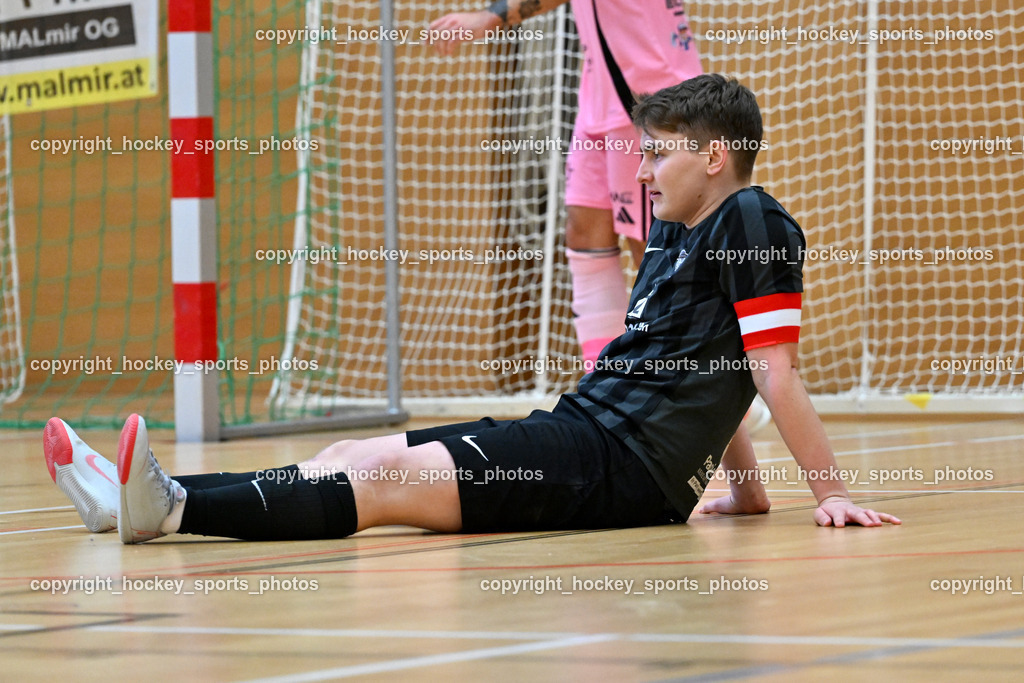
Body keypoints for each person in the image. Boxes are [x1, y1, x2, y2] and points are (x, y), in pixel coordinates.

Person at [43, 75, 900, 545]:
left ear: (715, 157)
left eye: (658, 154)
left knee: (380, 481)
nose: (641, 171)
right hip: (585, 433)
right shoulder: (679, 232)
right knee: (351, 451)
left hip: (614, 465)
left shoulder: (754, 220)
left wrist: (829, 493)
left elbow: (769, 368)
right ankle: (134, 500)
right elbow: (713, 370)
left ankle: (173, 510)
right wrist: (745, 491)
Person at [430, 0, 703, 366]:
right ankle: (603, 379)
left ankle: (685, 378)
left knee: (652, 250)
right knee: (584, 234)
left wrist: (487, 17)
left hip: (648, 96)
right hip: (601, 96)